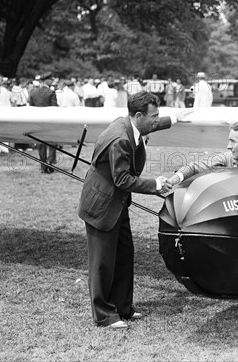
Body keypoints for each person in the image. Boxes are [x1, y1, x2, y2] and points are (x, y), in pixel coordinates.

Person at [77, 91, 172, 329]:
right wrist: (156, 184)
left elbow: (152, 126)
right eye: (155, 116)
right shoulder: (120, 138)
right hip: (103, 206)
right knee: (102, 262)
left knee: (124, 255)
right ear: (139, 115)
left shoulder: (129, 124)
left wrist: (177, 119)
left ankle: (123, 307)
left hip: (117, 204)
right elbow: (122, 180)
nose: (156, 120)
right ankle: (104, 315)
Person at [166, 119, 238, 186]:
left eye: (233, 141)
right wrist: (172, 180)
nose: (228, 146)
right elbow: (194, 167)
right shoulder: (227, 158)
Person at [29, 73, 58, 173]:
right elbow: (55, 108)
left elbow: (31, 108)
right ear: (47, 80)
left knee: (41, 145)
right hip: (49, 122)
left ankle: (43, 166)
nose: (52, 81)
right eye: (51, 79)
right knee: (52, 143)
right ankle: (50, 162)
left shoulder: (33, 92)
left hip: (37, 122)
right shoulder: (51, 92)